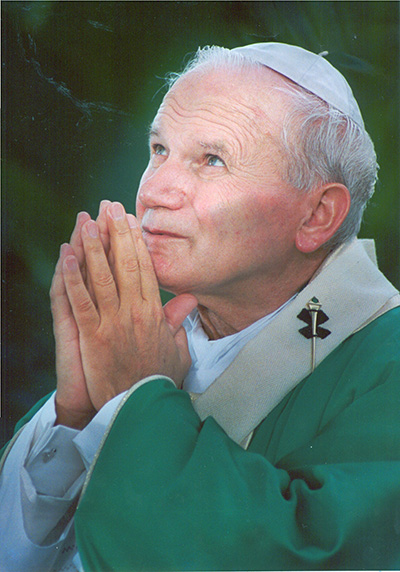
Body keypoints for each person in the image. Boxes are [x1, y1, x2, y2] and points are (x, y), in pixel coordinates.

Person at [1, 42, 399, 571]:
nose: (154, 191)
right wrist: (76, 417)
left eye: (212, 160)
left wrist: (131, 400)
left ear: (317, 216)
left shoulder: (384, 363)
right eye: (159, 149)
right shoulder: (155, 331)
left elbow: (300, 555)